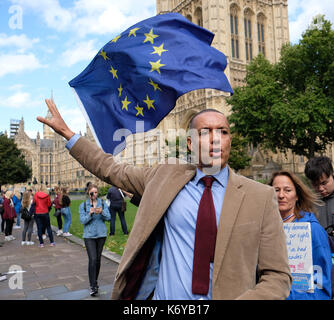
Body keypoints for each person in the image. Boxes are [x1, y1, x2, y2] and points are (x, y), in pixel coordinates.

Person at [37, 98, 292, 300]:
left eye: (223, 131)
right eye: (206, 132)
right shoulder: (165, 177)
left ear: (230, 140)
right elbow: (111, 168)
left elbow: (277, 276)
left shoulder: (260, 196)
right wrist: (68, 134)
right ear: (190, 143)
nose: (215, 138)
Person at [269, 170, 332, 299]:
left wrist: (286, 296)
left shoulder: (313, 230)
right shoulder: (263, 229)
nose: (281, 195)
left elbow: (322, 289)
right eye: (276, 190)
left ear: (297, 195)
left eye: (287, 190)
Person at [79, 184, 111, 296]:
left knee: (97, 260)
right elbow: (83, 221)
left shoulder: (102, 203)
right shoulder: (83, 205)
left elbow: (109, 217)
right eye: (92, 192)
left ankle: (95, 281)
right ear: (88, 193)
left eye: (96, 192)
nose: (94, 194)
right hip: (89, 236)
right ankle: (92, 285)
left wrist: (102, 212)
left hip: (101, 235)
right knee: (92, 259)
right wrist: (90, 213)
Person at [304, 156, 334, 231]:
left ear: (332, 174)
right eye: (315, 185)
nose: (320, 189)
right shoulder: (308, 202)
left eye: (324, 183)